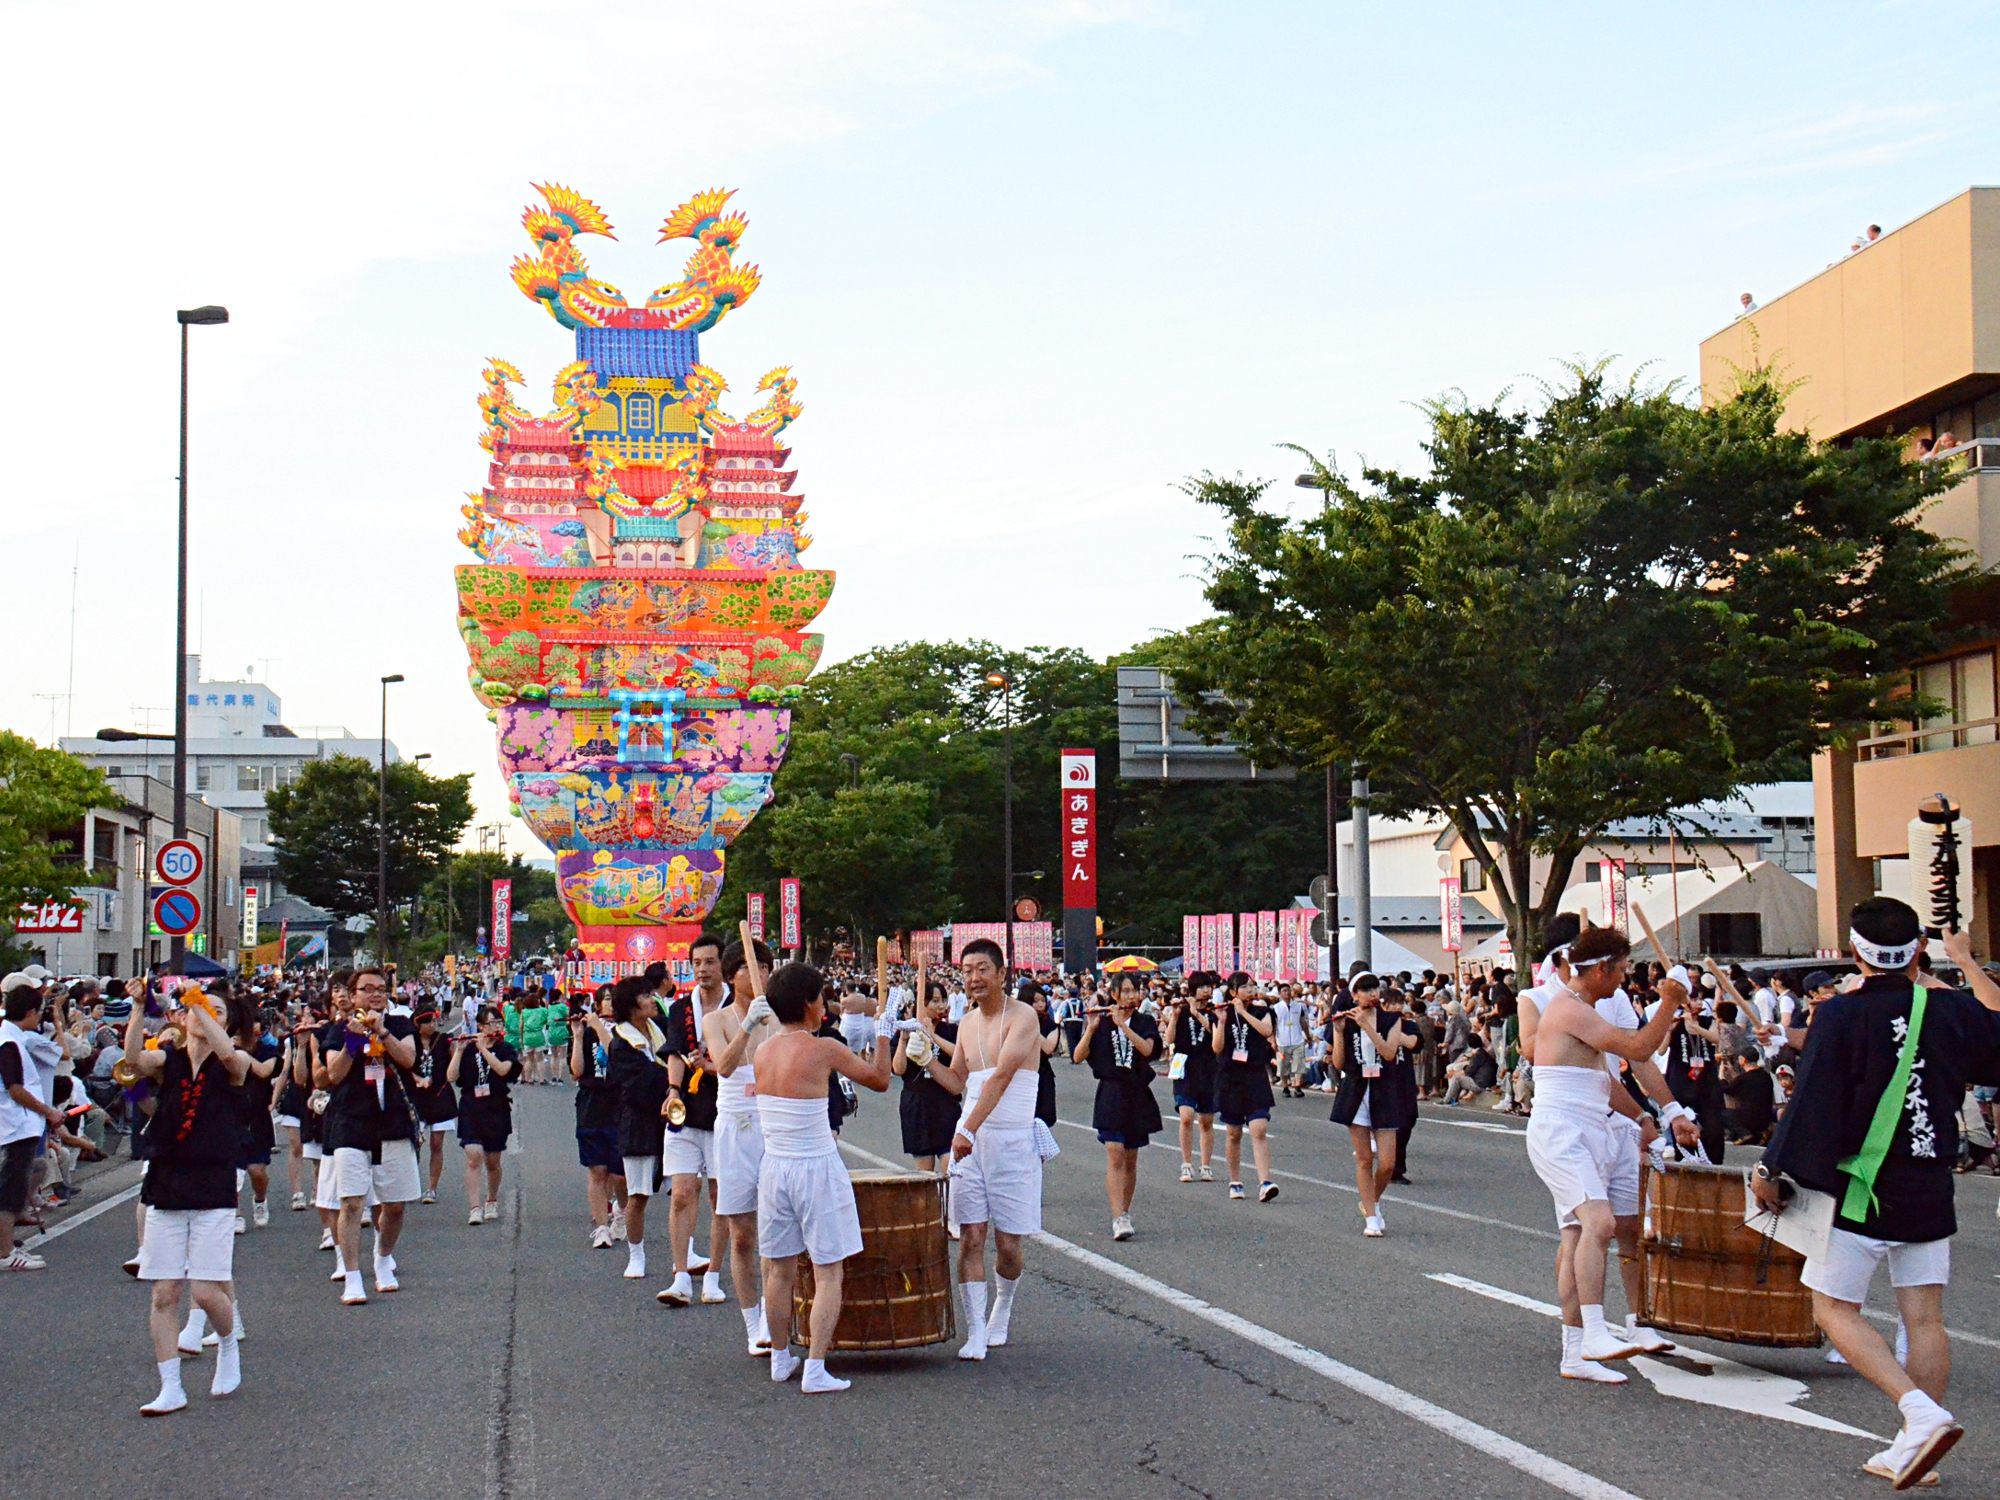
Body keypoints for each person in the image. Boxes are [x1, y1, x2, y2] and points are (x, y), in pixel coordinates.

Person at [1753, 899, 2000, 1489]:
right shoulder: (1949, 1009)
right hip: (1930, 1180)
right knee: (1924, 1318)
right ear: (1917, 948)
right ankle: (1916, 1447)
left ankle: (1920, 1415)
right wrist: (1963, 962)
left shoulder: (1842, 1015)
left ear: (1857, 951)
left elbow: (1810, 1100)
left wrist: (1772, 1167)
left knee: (1833, 1309)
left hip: (1862, 1186)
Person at [1523, 927, 1688, 1384]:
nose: (1623, 978)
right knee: (1599, 1223)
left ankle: (1575, 1354)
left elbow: (1607, 1083)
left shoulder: (1584, 1011)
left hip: (1586, 1127)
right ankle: (1594, 1331)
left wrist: (1645, 1120)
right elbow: (1638, 1049)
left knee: (1579, 1235)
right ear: (1600, 969)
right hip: (1561, 1131)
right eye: (1619, 970)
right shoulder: (1568, 1008)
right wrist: (1670, 999)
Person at [755, 962, 894, 1393]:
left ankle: (781, 1357)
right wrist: (883, 1031)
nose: (827, 1007)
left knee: (778, 1270)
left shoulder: (763, 1050)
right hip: (814, 1164)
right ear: (807, 1004)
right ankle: (815, 1367)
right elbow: (880, 1080)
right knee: (828, 1269)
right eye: (822, 999)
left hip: (774, 1166)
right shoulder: (824, 1048)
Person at [127, 987, 251, 1413]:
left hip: (214, 1183)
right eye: (198, 1009)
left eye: (217, 1011)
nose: (203, 1014)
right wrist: (139, 1010)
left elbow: (233, 1060)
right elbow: (134, 1062)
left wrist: (201, 1005)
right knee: (164, 1293)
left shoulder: (233, 1062)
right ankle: (170, 1387)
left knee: (204, 1290)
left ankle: (229, 1344)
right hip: (169, 1181)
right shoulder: (170, 1059)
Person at [946, 938, 1045, 1360]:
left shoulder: (1023, 1017)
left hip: (1010, 1140)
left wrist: (967, 1128)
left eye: (982, 968)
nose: (974, 977)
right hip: (970, 1141)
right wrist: (924, 1055)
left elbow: (1002, 1077)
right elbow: (958, 1081)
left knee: (1007, 1246)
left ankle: (1001, 1307)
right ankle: (974, 1330)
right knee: (970, 1236)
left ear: (1002, 974)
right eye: (967, 970)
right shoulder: (966, 1023)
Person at [321, 967, 421, 1304]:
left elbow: (408, 1058)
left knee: (394, 1207)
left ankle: (382, 1259)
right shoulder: (338, 1030)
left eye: (381, 988)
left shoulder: (400, 1025)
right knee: (351, 1202)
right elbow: (333, 1074)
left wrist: (382, 1033)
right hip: (350, 1123)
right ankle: (352, 1276)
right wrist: (353, 1041)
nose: (375, 994)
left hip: (392, 1123)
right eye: (366, 989)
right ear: (353, 996)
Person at [699, 936, 779, 1349]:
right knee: (743, 1232)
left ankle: (775, 1317)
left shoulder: (780, 1018)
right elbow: (725, 1067)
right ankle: (753, 1325)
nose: (760, 974)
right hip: (734, 1126)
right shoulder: (718, 1019)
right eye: (751, 967)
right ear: (733, 976)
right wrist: (748, 1026)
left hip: (776, 1126)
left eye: (765, 966)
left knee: (777, 1229)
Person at [1074, 972, 1160, 1241]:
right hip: (1110, 1091)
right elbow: (1078, 1056)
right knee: (1115, 1152)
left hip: (1136, 1092)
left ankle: (1125, 1210)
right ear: (1114, 995)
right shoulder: (1101, 1022)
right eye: (1125, 991)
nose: (1132, 995)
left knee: (1131, 1157)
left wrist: (1124, 1026)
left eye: (1135, 990)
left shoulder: (1145, 1021)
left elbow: (1147, 1050)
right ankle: (1117, 1217)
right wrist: (1090, 1027)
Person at [1326, 974, 1414, 1236]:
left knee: (1387, 1163)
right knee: (1365, 1159)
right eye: (1364, 990)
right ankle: (1371, 1218)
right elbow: (1340, 1063)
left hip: (1384, 1090)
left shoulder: (1391, 1019)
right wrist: (1340, 1033)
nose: (1371, 994)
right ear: (1354, 996)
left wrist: (1368, 1027)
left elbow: (1388, 1053)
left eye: (1374, 988)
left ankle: (1371, 1201)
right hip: (1356, 1090)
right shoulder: (1348, 1020)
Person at [663, 947, 725, 1297]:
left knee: (721, 1197)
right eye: (696, 963)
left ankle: (713, 1275)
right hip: (686, 1106)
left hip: (725, 1109)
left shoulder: (736, 1007)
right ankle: (681, 1275)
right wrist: (673, 1089)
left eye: (710, 962)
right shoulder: (681, 1008)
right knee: (682, 1193)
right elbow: (674, 1051)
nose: (702, 969)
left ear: (723, 966)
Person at [607, 977, 672, 1280]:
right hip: (639, 1125)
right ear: (632, 1004)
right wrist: (670, 1078)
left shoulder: (659, 1031)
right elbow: (637, 1086)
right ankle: (636, 1254)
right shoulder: (621, 1043)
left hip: (669, 1122)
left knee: (684, 1190)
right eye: (646, 995)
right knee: (639, 1194)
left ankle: (684, 1253)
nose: (652, 1000)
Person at [1209, 972, 1279, 1202]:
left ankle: (1265, 1181)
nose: (1251, 990)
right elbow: (1217, 1048)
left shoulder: (1262, 1011)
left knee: (1259, 1128)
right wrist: (1220, 1021)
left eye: (1252, 986)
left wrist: (1243, 1013)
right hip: (1230, 1076)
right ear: (1233, 991)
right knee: (1233, 1133)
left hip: (1255, 1074)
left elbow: (1266, 1031)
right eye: (1245, 987)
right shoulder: (1222, 1012)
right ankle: (1235, 1180)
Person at [449, 1004, 516, 1225]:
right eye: (491, 1023)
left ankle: (492, 1200)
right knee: (473, 1155)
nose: (495, 1026)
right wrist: (459, 1052)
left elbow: (503, 1070)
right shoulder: (468, 1049)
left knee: (493, 1161)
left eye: (498, 1022)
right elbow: (451, 1077)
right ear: (480, 1026)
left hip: (496, 1107)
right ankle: (474, 1207)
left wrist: (484, 1049)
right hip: (471, 1106)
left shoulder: (505, 1048)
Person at [570, 990, 626, 1247]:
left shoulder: (626, 1030)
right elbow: (577, 1070)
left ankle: (621, 1213)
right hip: (591, 1104)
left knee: (620, 1173)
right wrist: (578, 1036)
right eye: (606, 999)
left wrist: (601, 1027)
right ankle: (601, 1227)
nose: (610, 1003)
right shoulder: (587, 1029)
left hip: (619, 1102)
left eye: (615, 999)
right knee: (596, 1169)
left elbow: (617, 1056)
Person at [894, 981, 960, 1170]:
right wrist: (903, 1040)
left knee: (951, 1163)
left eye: (943, 1000)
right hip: (917, 1105)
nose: (941, 1005)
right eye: (935, 1001)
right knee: (925, 1172)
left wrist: (933, 1035)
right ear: (922, 1003)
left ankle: (949, 1200)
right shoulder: (909, 1028)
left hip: (945, 1101)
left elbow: (960, 1055)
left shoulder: (950, 1030)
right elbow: (898, 1069)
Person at [1166, 974, 1220, 1182]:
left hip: (1208, 1067)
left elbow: (1215, 1034)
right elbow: (1169, 1038)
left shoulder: (1215, 1011)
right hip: (1185, 1065)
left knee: (1206, 1119)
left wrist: (1198, 1014)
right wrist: (1174, 1016)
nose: (1206, 990)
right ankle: (1186, 1163)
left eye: (1209, 986)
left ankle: (1206, 1164)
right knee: (1186, 1116)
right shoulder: (1182, 1009)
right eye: (1202, 987)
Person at [406, 1007, 458, 1204]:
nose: (433, 1025)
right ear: (418, 1025)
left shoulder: (444, 1040)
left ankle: (431, 1187)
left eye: (434, 1021)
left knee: (437, 1144)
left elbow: (454, 1064)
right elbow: (403, 1065)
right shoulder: (410, 1042)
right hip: (416, 1097)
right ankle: (411, 1185)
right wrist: (417, 1078)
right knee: (414, 1144)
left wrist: (457, 1051)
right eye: (428, 1022)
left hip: (440, 1095)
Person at [1272, 985, 1309, 1098]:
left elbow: (1303, 1022)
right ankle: (1285, 1087)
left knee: (1299, 1063)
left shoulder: (1298, 1007)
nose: (1287, 993)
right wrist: (1273, 1040)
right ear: (1280, 994)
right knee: (1283, 1065)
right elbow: (1273, 1025)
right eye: (1284, 991)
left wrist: (1308, 1036)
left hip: (1297, 1039)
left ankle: (1297, 1087)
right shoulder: (1275, 1008)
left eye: (1289, 990)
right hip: (1282, 1041)